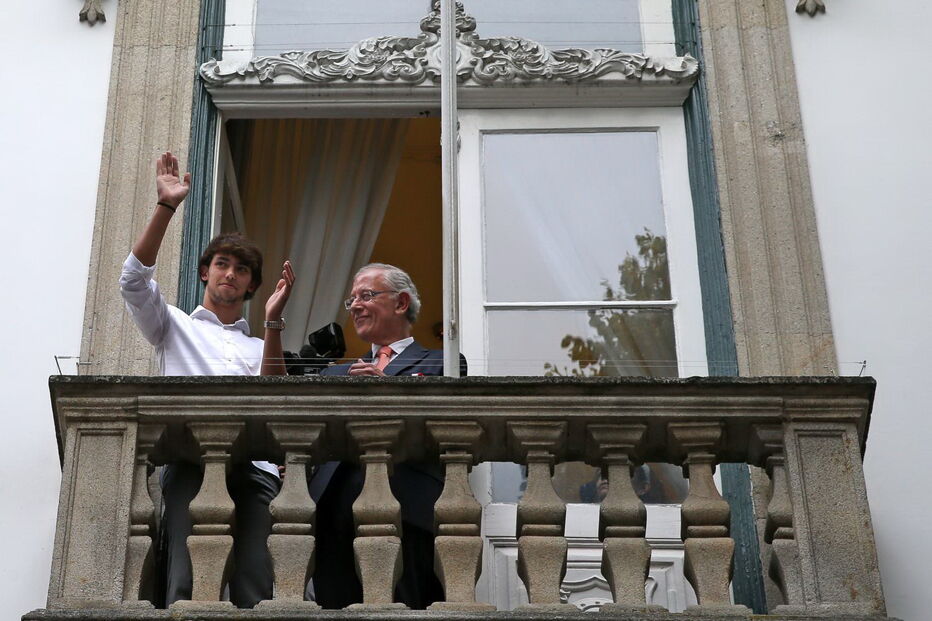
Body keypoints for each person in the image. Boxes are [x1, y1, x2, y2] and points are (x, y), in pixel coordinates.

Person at [120, 152, 294, 608]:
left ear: (252, 285)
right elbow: (133, 281)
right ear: (205, 272)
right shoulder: (172, 325)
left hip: (254, 469)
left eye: (242, 269)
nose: (230, 274)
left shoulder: (259, 345)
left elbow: (277, 398)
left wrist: (273, 322)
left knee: (257, 579)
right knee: (187, 578)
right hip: (189, 461)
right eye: (222, 264)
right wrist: (166, 206)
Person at [263, 262, 465, 609]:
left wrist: (388, 392)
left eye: (366, 296)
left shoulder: (442, 363)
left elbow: (447, 432)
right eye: (351, 299)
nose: (355, 305)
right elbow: (278, 401)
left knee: (406, 611)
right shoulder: (337, 374)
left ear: (401, 303)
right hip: (332, 518)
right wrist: (272, 322)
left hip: (408, 511)